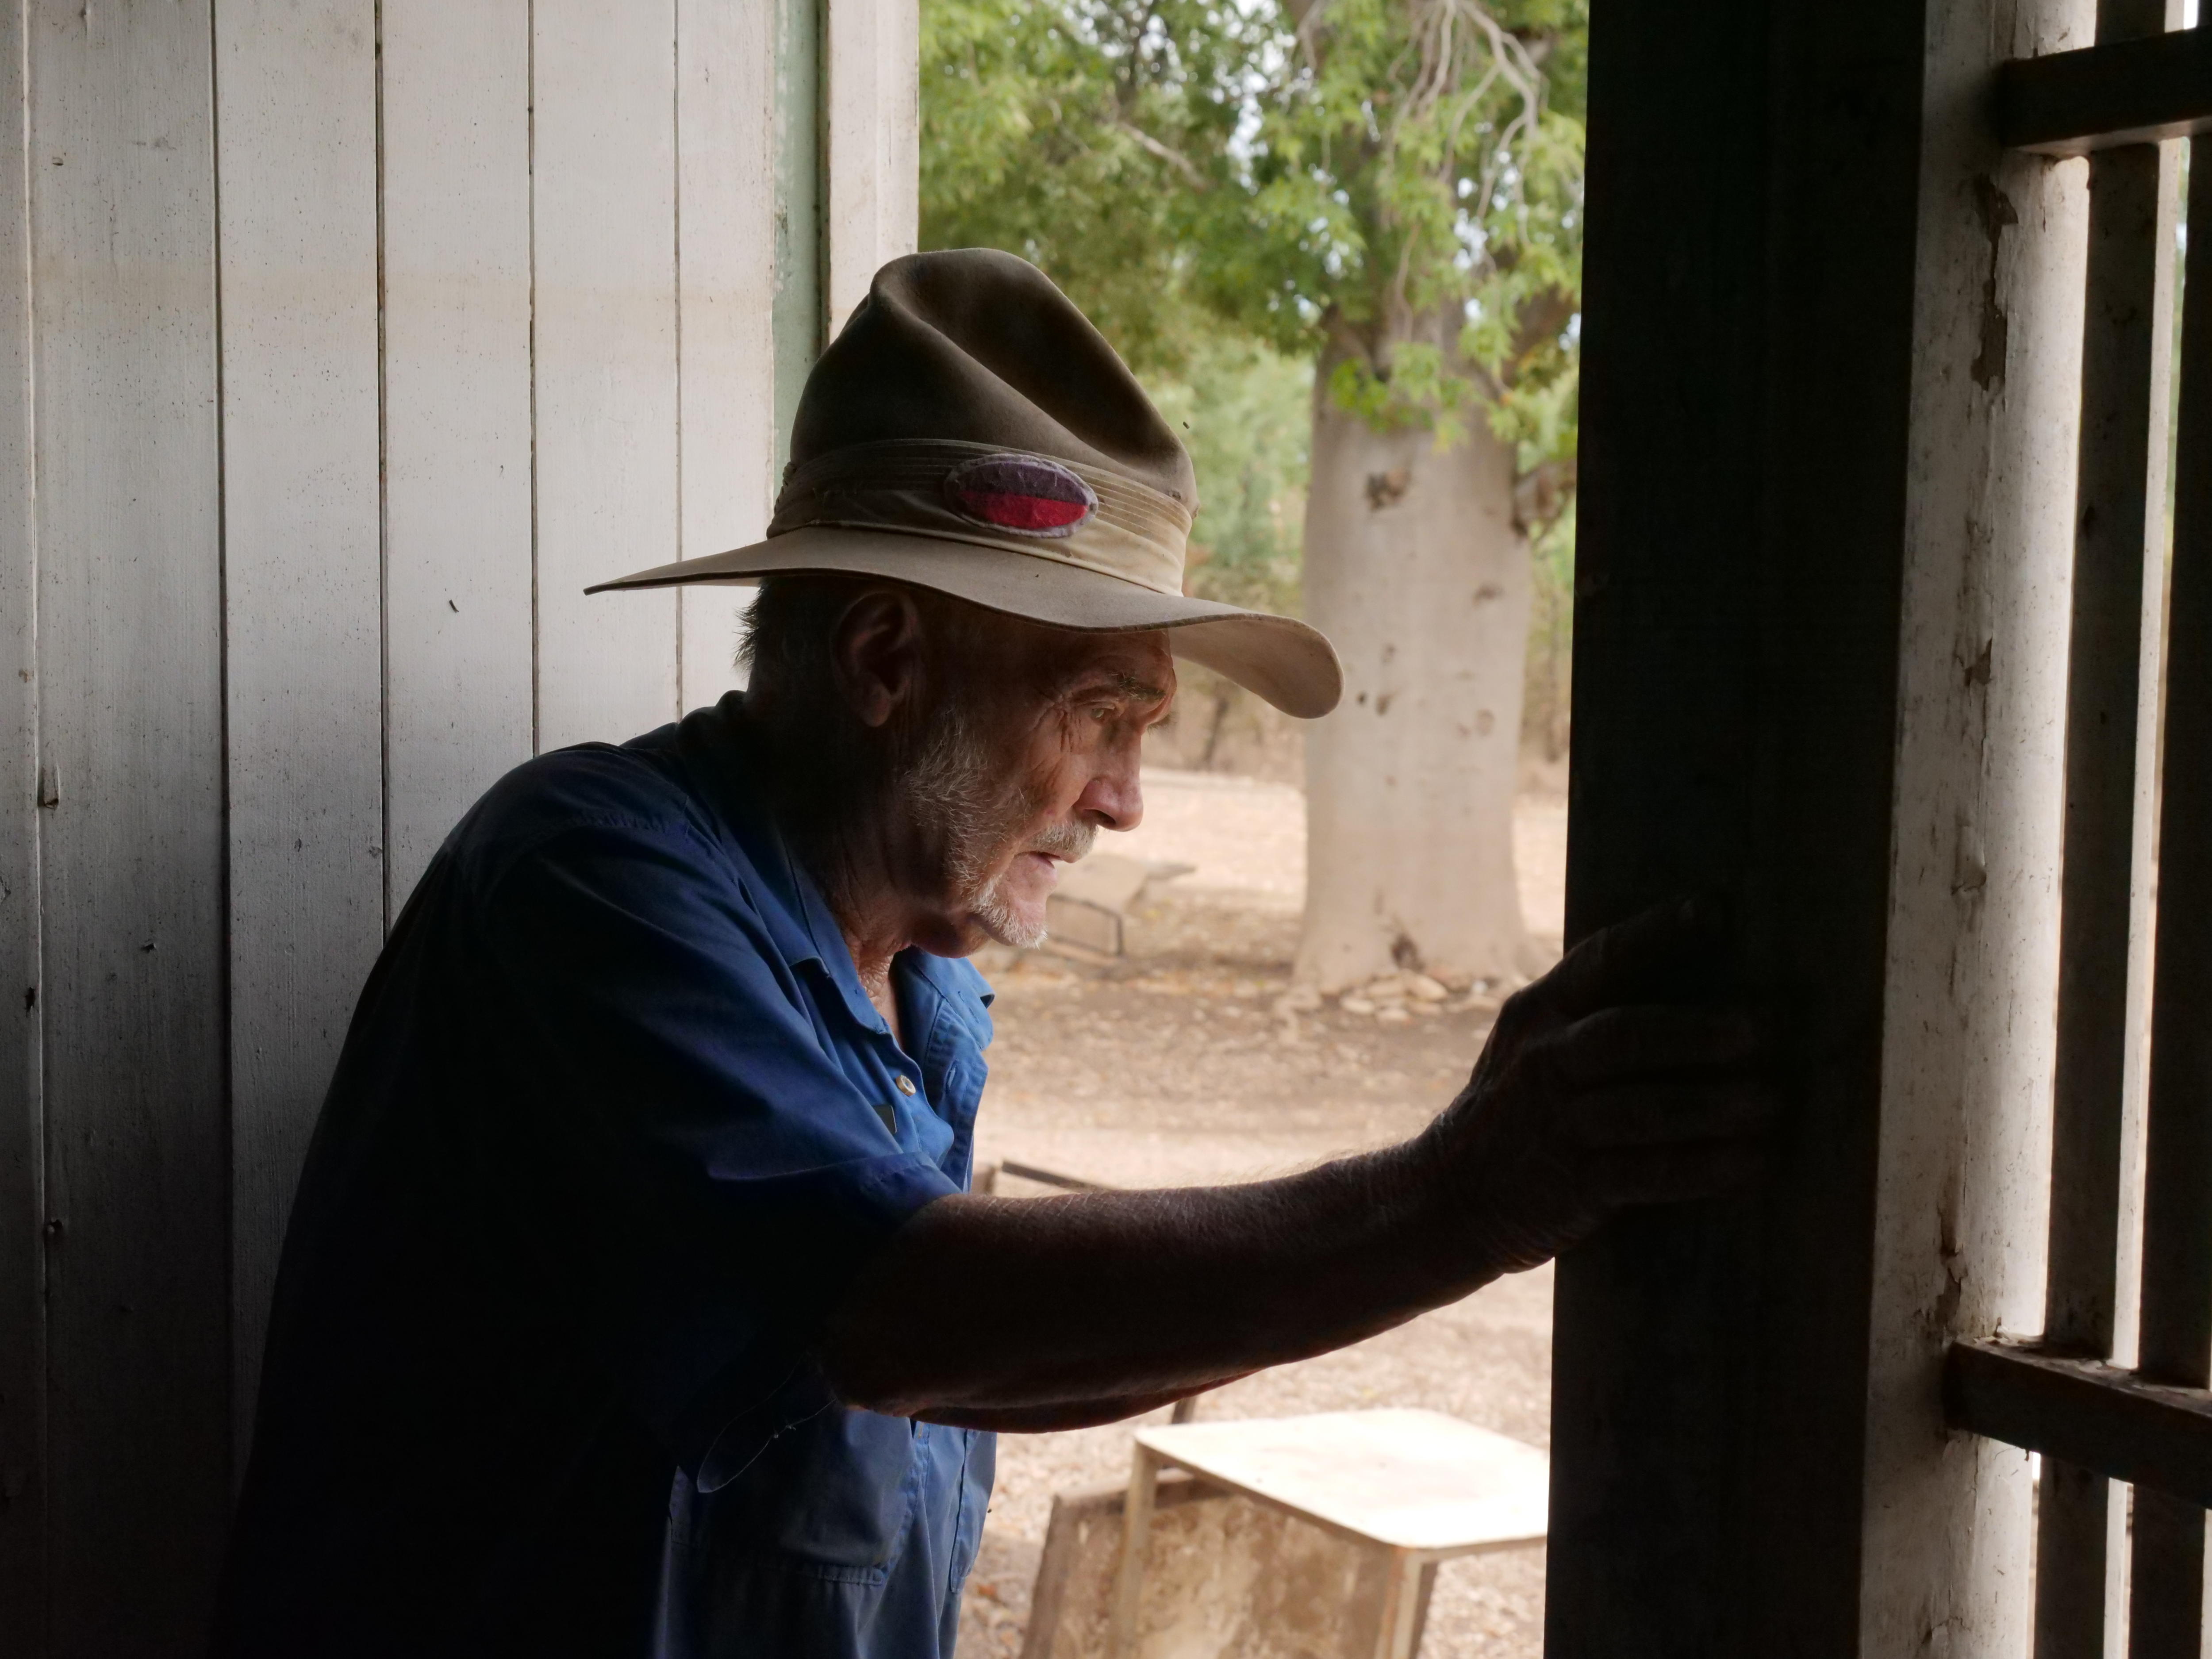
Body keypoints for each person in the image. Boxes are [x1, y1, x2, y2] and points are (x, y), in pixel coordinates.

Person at [211, 249, 1772, 1659]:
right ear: (888, 658)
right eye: (1099, 710)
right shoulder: (587, 883)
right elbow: (901, 1316)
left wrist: (1454, 1199)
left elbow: (974, 1372)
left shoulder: (925, 991)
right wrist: (1461, 1198)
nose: (1128, 800)